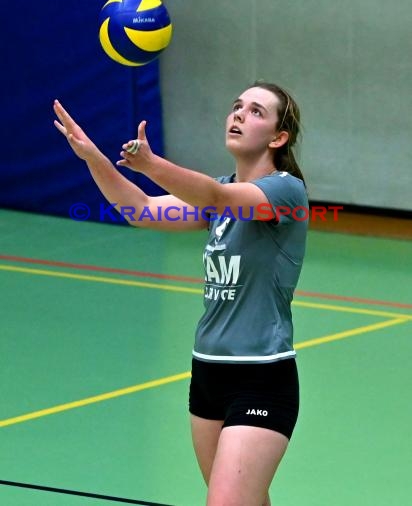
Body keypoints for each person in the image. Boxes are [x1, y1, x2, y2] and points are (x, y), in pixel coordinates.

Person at [53, 80, 308, 506]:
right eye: (237, 106)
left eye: (256, 111)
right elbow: (140, 210)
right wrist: (93, 156)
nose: (240, 114)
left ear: (279, 137)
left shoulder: (286, 192)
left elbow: (217, 197)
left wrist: (151, 163)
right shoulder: (220, 194)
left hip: (261, 376)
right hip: (207, 374)